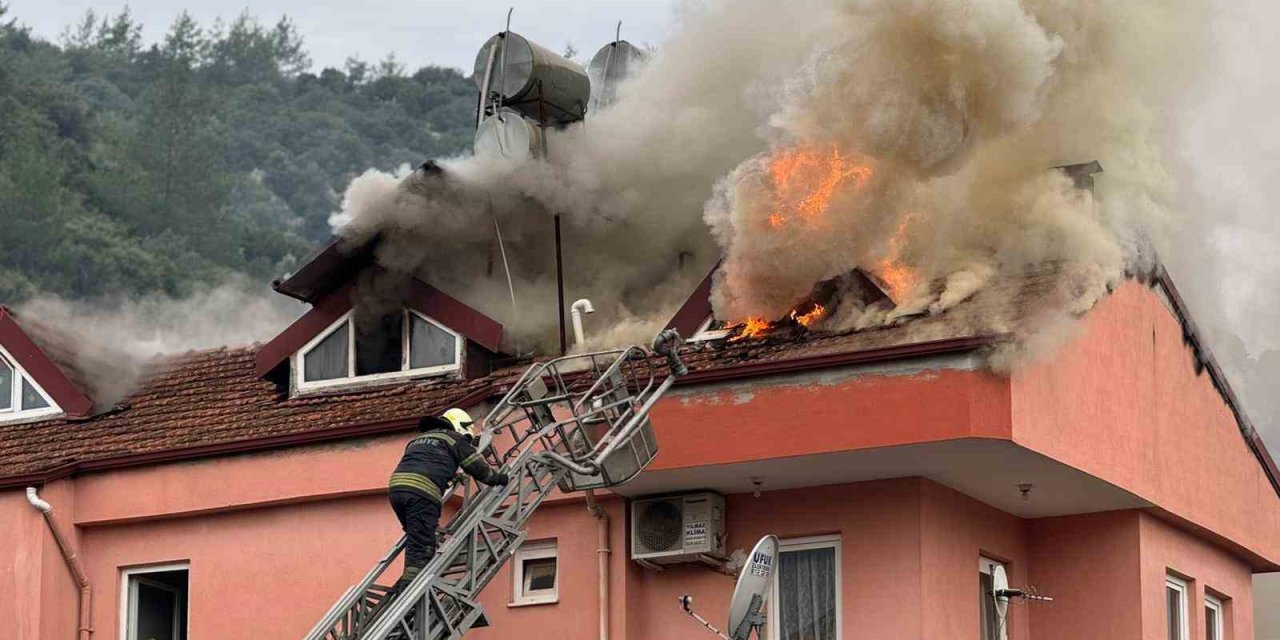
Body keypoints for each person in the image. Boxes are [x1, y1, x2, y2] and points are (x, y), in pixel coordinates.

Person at [387, 407, 509, 594]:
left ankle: (405, 581)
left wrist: (450, 478)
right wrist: (499, 478)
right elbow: (476, 468)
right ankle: (409, 592)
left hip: (397, 490)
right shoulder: (455, 439)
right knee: (423, 546)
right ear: (460, 427)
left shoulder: (417, 440)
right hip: (422, 492)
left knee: (417, 537)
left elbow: (429, 464)